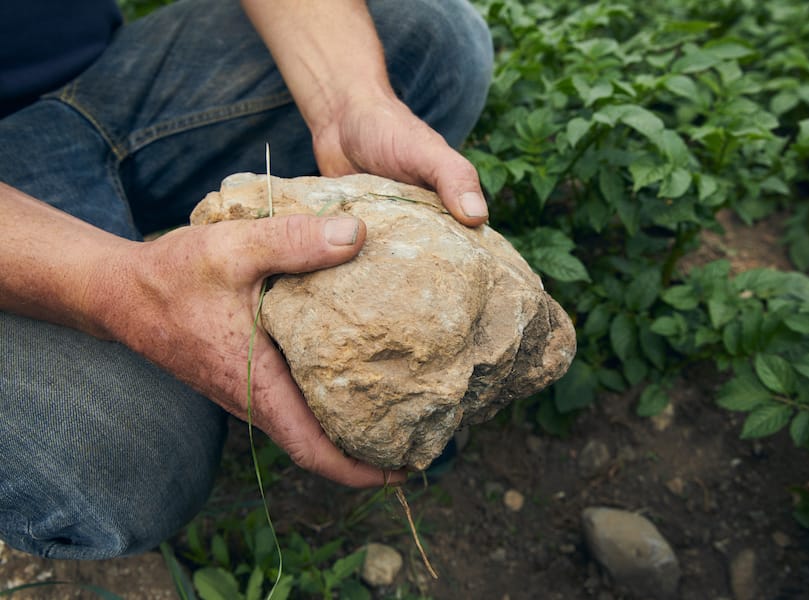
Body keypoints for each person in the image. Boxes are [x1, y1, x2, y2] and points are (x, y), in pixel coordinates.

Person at [0, 0, 493, 560]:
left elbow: (357, 86)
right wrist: (117, 286)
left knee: (433, 37)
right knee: (118, 452)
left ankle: (328, 370)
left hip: (88, 83)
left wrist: (348, 103)